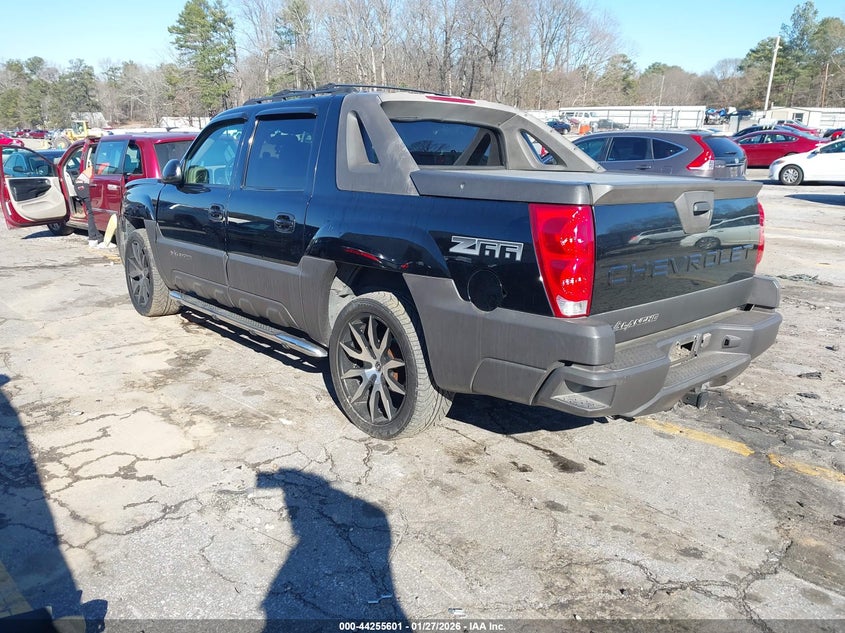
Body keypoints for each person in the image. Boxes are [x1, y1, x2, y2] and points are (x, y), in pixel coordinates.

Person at [73, 154, 101, 247]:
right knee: (92, 212)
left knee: (92, 211)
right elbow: (99, 179)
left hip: (82, 185)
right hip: (83, 185)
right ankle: (93, 238)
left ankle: (98, 237)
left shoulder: (101, 164)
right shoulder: (104, 166)